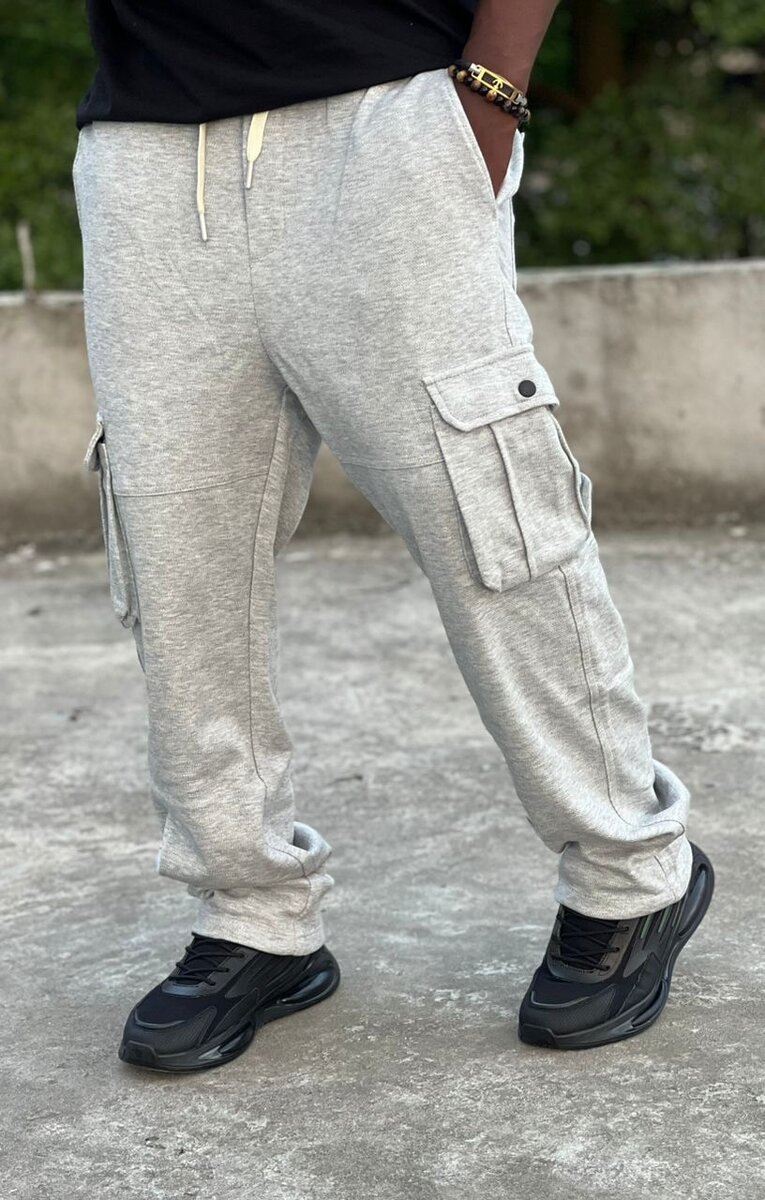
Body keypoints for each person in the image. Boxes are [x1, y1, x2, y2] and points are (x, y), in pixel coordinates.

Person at [73, 0, 714, 1072]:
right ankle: (253, 909)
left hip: (386, 121)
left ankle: (630, 872)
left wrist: (489, 93)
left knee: (490, 515)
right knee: (175, 547)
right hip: (146, 148)